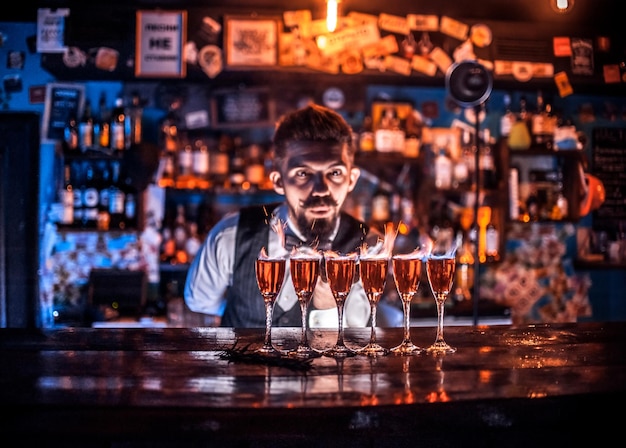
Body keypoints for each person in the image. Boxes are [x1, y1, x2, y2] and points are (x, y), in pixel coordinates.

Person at [184, 103, 382, 328]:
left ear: (352, 180)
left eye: (335, 173)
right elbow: (200, 301)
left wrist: (328, 304)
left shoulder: (369, 248)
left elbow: (358, 335)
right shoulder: (231, 235)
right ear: (278, 181)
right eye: (303, 173)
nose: (321, 189)